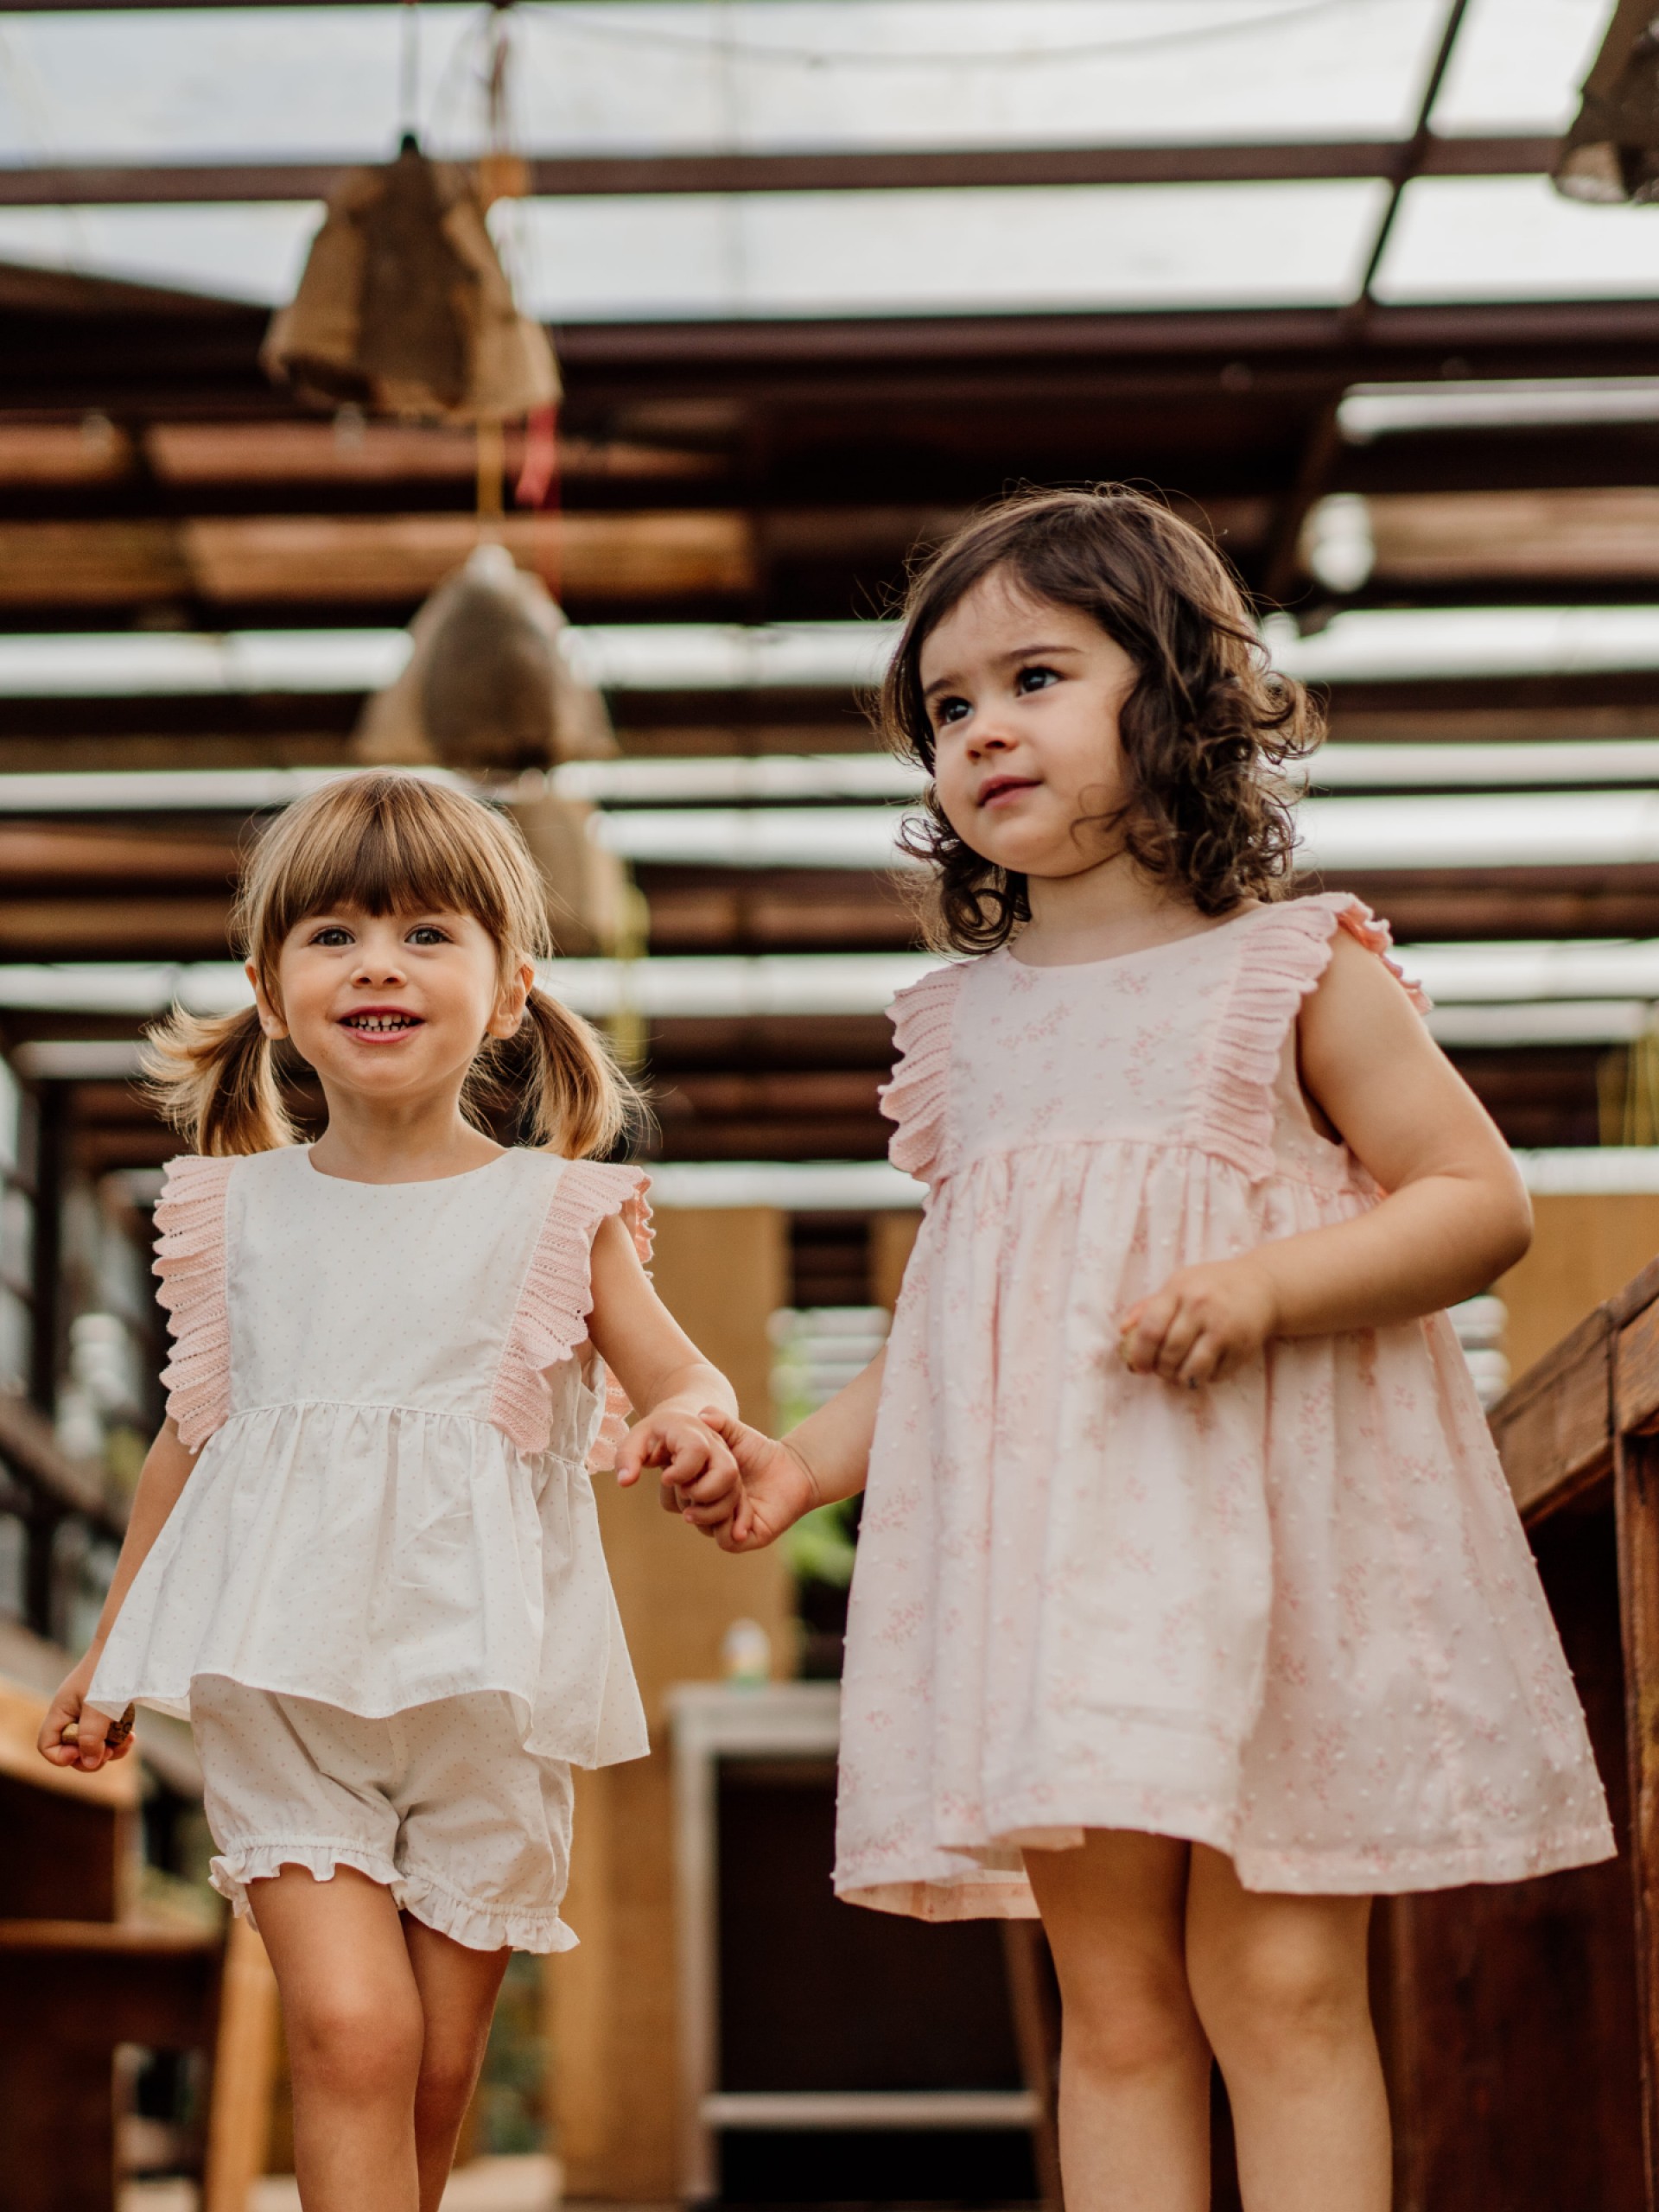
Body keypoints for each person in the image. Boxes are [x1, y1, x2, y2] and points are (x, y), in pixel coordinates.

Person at [701, 488, 1614, 2212]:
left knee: (1277, 1986)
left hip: (1272, 1562)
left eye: (1034, 673)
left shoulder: (1293, 967)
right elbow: (956, 1328)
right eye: (947, 708)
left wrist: (1271, 1286)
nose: (982, 729)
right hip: (1076, 1591)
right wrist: (799, 1457)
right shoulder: (967, 1032)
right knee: (1113, 2008)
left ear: (1181, 689)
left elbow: (1473, 1200)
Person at [37, 773, 743, 2212]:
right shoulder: (227, 1212)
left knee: (427, 2069)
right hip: (282, 1682)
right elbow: (191, 1447)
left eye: (428, 932)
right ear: (270, 986)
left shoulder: (561, 1209)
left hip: (483, 1697)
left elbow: (685, 1377)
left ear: (508, 991)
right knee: (350, 2031)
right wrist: (110, 1655)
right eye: (334, 934)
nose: (376, 963)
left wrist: (698, 1430)